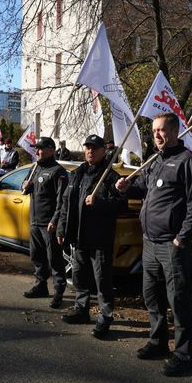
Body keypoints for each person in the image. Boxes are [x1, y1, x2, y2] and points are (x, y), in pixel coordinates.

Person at [115, 112, 192, 376]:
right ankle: (158, 342)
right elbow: (143, 186)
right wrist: (126, 187)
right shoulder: (156, 160)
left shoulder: (188, 162)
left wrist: (182, 238)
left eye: (161, 130)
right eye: (154, 130)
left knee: (178, 301)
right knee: (152, 297)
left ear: (175, 131)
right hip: (150, 244)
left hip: (172, 246)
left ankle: (183, 355)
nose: (156, 135)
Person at [57, 134, 126, 339]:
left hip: (100, 239)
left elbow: (121, 206)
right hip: (79, 238)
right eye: (87, 147)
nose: (90, 151)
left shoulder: (111, 177)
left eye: (95, 148)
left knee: (102, 281)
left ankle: (105, 317)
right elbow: (65, 203)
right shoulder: (77, 173)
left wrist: (100, 202)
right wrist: (62, 228)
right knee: (79, 276)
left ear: (103, 151)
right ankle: (81, 309)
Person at [21, 137, 69, 308]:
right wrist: (25, 185)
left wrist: (55, 220)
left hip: (49, 224)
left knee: (54, 259)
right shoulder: (36, 168)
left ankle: (58, 292)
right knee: (37, 256)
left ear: (50, 150)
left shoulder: (58, 172)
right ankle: (41, 286)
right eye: (36, 148)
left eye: (40, 149)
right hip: (34, 221)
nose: (37, 151)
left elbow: (61, 200)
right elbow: (25, 188)